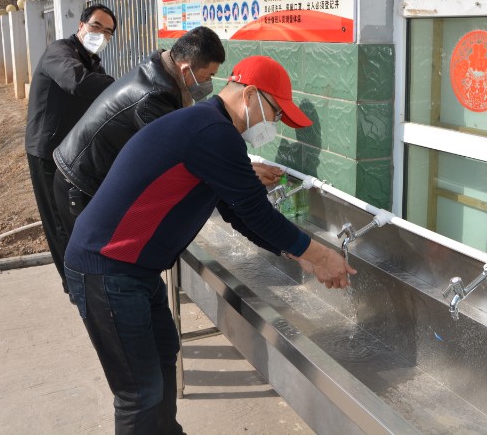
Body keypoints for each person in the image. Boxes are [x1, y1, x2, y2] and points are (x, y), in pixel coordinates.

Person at [63, 55, 356, 434]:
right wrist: (319, 254)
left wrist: (295, 253)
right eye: (276, 113)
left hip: (133, 271)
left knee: (163, 357)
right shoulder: (213, 133)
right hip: (107, 269)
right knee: (139, 393)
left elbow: (238, 214)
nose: (275, 124)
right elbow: (256, 212)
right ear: (250, 96)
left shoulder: (209, 127)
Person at [54, 26, 242, 235]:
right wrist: (231, 171)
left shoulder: (161, 67)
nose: (208, 83)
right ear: (186, 70)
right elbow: (175, 156)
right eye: (208, 76)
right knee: (90, 253)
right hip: (81, 181)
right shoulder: (154, 96)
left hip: (90, 172)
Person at [25, 3, 117, 295]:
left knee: (76, 218)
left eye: (108, 32)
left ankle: (85, 277)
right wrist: (122, 85)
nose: (100, 34)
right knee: (59, 222)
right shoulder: (60, 52)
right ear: (81, 26)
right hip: (47, 151)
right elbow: (75, 82)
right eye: (96, 26)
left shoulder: (93, 63)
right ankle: (75, 286)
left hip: (71, 153)